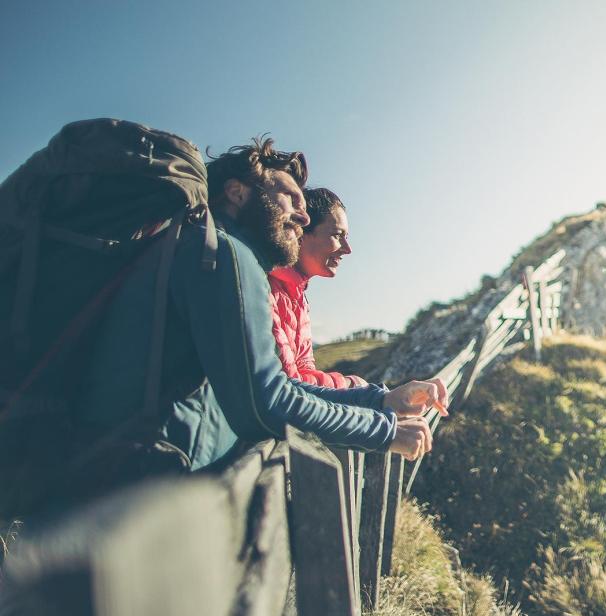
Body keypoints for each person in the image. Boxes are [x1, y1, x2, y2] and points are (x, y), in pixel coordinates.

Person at [73, 138, 445, 475]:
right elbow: (267, 402)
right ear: (237, 193)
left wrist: (378, 399)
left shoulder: (208, 251)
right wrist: (383, 430)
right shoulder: (220, 257)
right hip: (141, 477)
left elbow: (274, 386)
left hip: (141, 466)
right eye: (291, 200)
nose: (302, 217)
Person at [268, 187, 365, 388]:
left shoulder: (298, 295)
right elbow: (289, 383)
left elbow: (306, 371)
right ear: (300, 233)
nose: (347, 249)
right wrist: (352, 385)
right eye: (338, 235)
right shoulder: (266, 288)